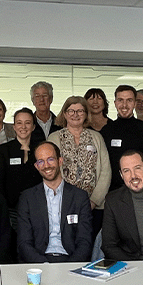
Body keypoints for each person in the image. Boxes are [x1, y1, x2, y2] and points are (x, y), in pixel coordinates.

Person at [16, 141, 92, 263]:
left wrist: (69, 268)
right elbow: (24, 243)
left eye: (50, 159)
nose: (46, 165)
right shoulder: (27, 198)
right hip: (39, 261)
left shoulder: (80, 197)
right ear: (36, 166)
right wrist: (44, 265)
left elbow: (85, 241)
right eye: (41, 161)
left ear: (60, 161)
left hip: (70, 261)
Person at [47, 96, 110, 239]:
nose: (75, 115)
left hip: (93, 206)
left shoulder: (96, 137)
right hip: (62, 205)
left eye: (80, 111)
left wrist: (93, 201)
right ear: (64, 113)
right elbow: (50, 170)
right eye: (71, 111)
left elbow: (106, 170)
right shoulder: (54, 138)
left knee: (91, 244)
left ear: (86, 114)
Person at [100, 85, 143, 193]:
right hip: (113, 192)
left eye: (129, 100)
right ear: (115, 103)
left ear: (134, 103)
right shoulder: (106, 131)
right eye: (120, 100)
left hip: (141, 191)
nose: (124, 105)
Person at [0, 108, 42, 229]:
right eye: (19, 123)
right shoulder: (4, 150)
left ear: (33, 127)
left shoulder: (41, 150)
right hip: (11, 211)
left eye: (28, 123)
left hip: (36, 209)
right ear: (14, 126)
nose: (23, 127)